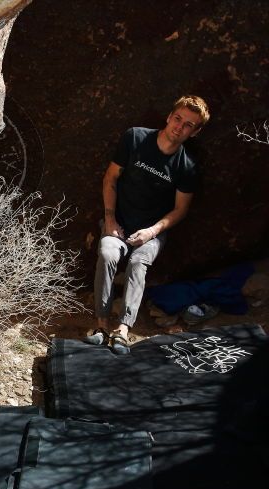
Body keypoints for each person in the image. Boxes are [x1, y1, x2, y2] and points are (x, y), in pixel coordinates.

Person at [86, 95, 210, 354]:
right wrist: (110, 219)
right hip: (118, 221)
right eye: (178, 119)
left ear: (195, 132)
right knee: (108, 253)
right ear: (169, 117)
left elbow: (180, 210)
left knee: (137, 262)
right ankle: (101, 325)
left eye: (188, 125)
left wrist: (152, 231)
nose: (179, 127)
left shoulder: (187, 166)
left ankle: (123, 330)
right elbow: (110, 179)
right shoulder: (135, 138)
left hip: (152, 232)